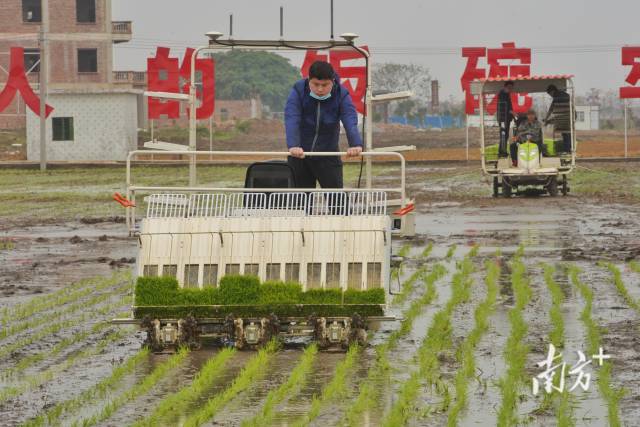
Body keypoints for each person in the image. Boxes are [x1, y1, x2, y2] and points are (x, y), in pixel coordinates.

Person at [284, 60, 363, 190]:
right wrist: (293, 145)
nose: (320, 89)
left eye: (325, 85)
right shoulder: (298, 90)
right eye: (315, 84)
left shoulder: (341, 94)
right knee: (298, 202)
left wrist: (355, 144)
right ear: (309, 80)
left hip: (328, 154)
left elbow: (349, 119)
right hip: (299, 154)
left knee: (337, 202)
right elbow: (292, 118)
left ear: (333, 81)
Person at [543, 84, 571, 153]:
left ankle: (566, 150)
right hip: (568, 119)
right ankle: (568, 149)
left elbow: (551, 110)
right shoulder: (567, 95)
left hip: (561, 121)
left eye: (550, 94)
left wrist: (546, 119)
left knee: (565, 134)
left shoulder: (556, 98)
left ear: (552, 91)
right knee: (567, 134)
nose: (551, 96)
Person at [497, 81, 515, 157]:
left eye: (511, 88)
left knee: (505, 135)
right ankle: (502, 152)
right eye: (509, 87)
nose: (510, 89)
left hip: (505, 119)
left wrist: (512, 114)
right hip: (503, 119)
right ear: (505, 87)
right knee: (503, 135)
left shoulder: (506, 94)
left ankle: (503, 151)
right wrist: (512, 112)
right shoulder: (502, 94)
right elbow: (506, 107)